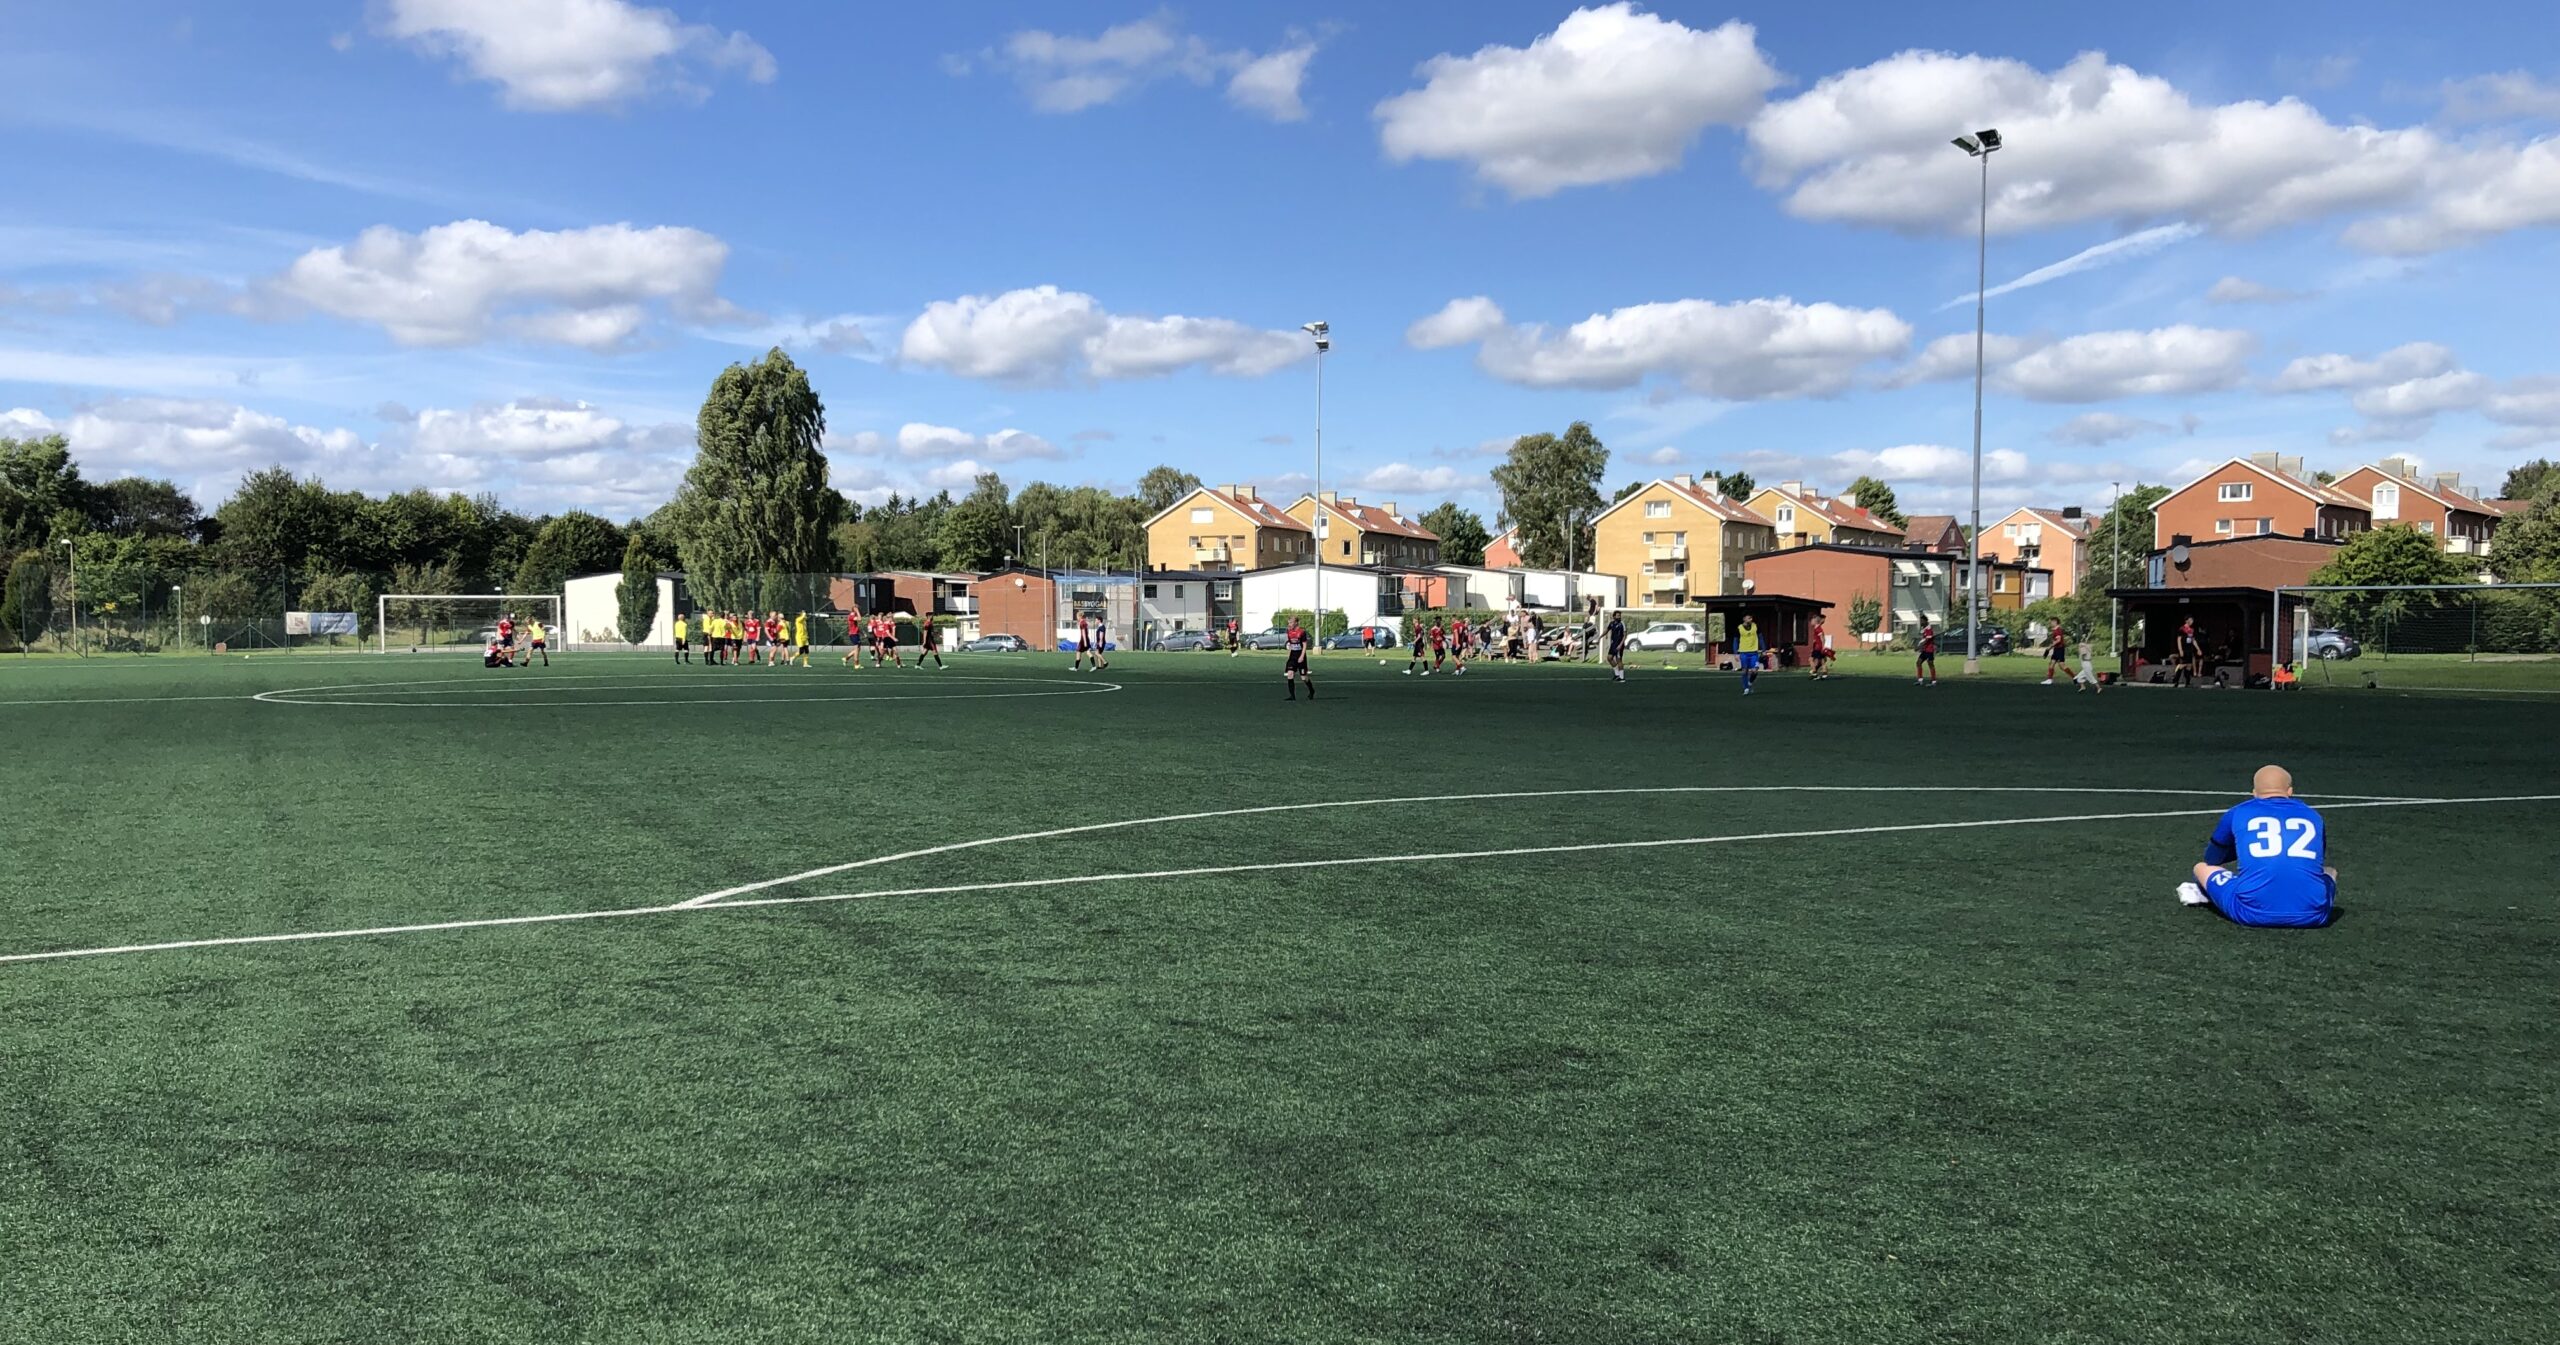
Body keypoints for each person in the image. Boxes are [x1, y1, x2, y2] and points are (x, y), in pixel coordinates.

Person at [2178, 765, 2338, 928]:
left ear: (2254, 792)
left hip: (2250, 912)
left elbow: (2212, 858)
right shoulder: (2313, 815)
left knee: (2201, 867)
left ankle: (2204, 892)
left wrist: (2240, 851)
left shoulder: (2238, 812)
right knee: (2329, 871)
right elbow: (2318, 858)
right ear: (2290, 791)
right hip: (2313, 915)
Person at [1282, 615, 1314, 700]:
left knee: (1303, 677)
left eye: (1291, 622)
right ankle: (1292, 696)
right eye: (1289, 623)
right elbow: (1291, 644)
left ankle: (1311, 691)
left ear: (1296, 623)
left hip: (1300, 655)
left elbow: (1304, 645)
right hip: (1293, 655)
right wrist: (1289, 656)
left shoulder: (1301, 632)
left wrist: (1302, 656)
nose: (1289, 624)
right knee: (1290, 674)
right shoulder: (1289, 632)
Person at [1734, 613, 1764, 696]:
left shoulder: (1756, 627)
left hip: (1754, 653)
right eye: (1749, 618)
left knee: (1755, 671)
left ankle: (1750, 682)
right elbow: (1735, 641)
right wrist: (1736, 653)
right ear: (1744, 619)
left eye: (1751, 618)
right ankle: (1746, 688)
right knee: (1744, 671)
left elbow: (1761, 638)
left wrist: (1764, 649)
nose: (1751, 619)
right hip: (1743, 653)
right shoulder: (1739, 628)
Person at [1605, 610, 1628, 683]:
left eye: (1620, 616)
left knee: (1619, 660)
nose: (1619, 617)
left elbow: (1625, 635)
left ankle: (1622, 678)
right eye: (1618, 615)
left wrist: (1620, 645)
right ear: (1614, 616)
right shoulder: (1612, 623)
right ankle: (1617, 674)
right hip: (1613, 644)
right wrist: (1600, 637)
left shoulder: (1622, 623)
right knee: (1609, 658)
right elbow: (1607, 630)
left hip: (1619, 645)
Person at [1915, 621, 1940, 687]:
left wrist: (1919, 646)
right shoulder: (1925, 630)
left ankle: (1933, 681)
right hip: (1925, 650)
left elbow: (1927, 640)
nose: (1921, 623)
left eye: (1922, 622)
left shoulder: (1929, 629)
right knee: (1918, 663)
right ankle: (1920, 680)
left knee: (1930, 664)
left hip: (1929, 650)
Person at [1806, 615, 1831, 679]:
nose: (1811, 622)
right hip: (1818, 647)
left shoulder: (1818, 629)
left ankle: (1814, 673)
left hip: (1818, 647)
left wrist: (1823, 647)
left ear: (1815, 621)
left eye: (1811, 621)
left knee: (1810, 660)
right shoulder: (1816, 628)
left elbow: (1822, 638)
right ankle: (1825, 674)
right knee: (1822, 661)